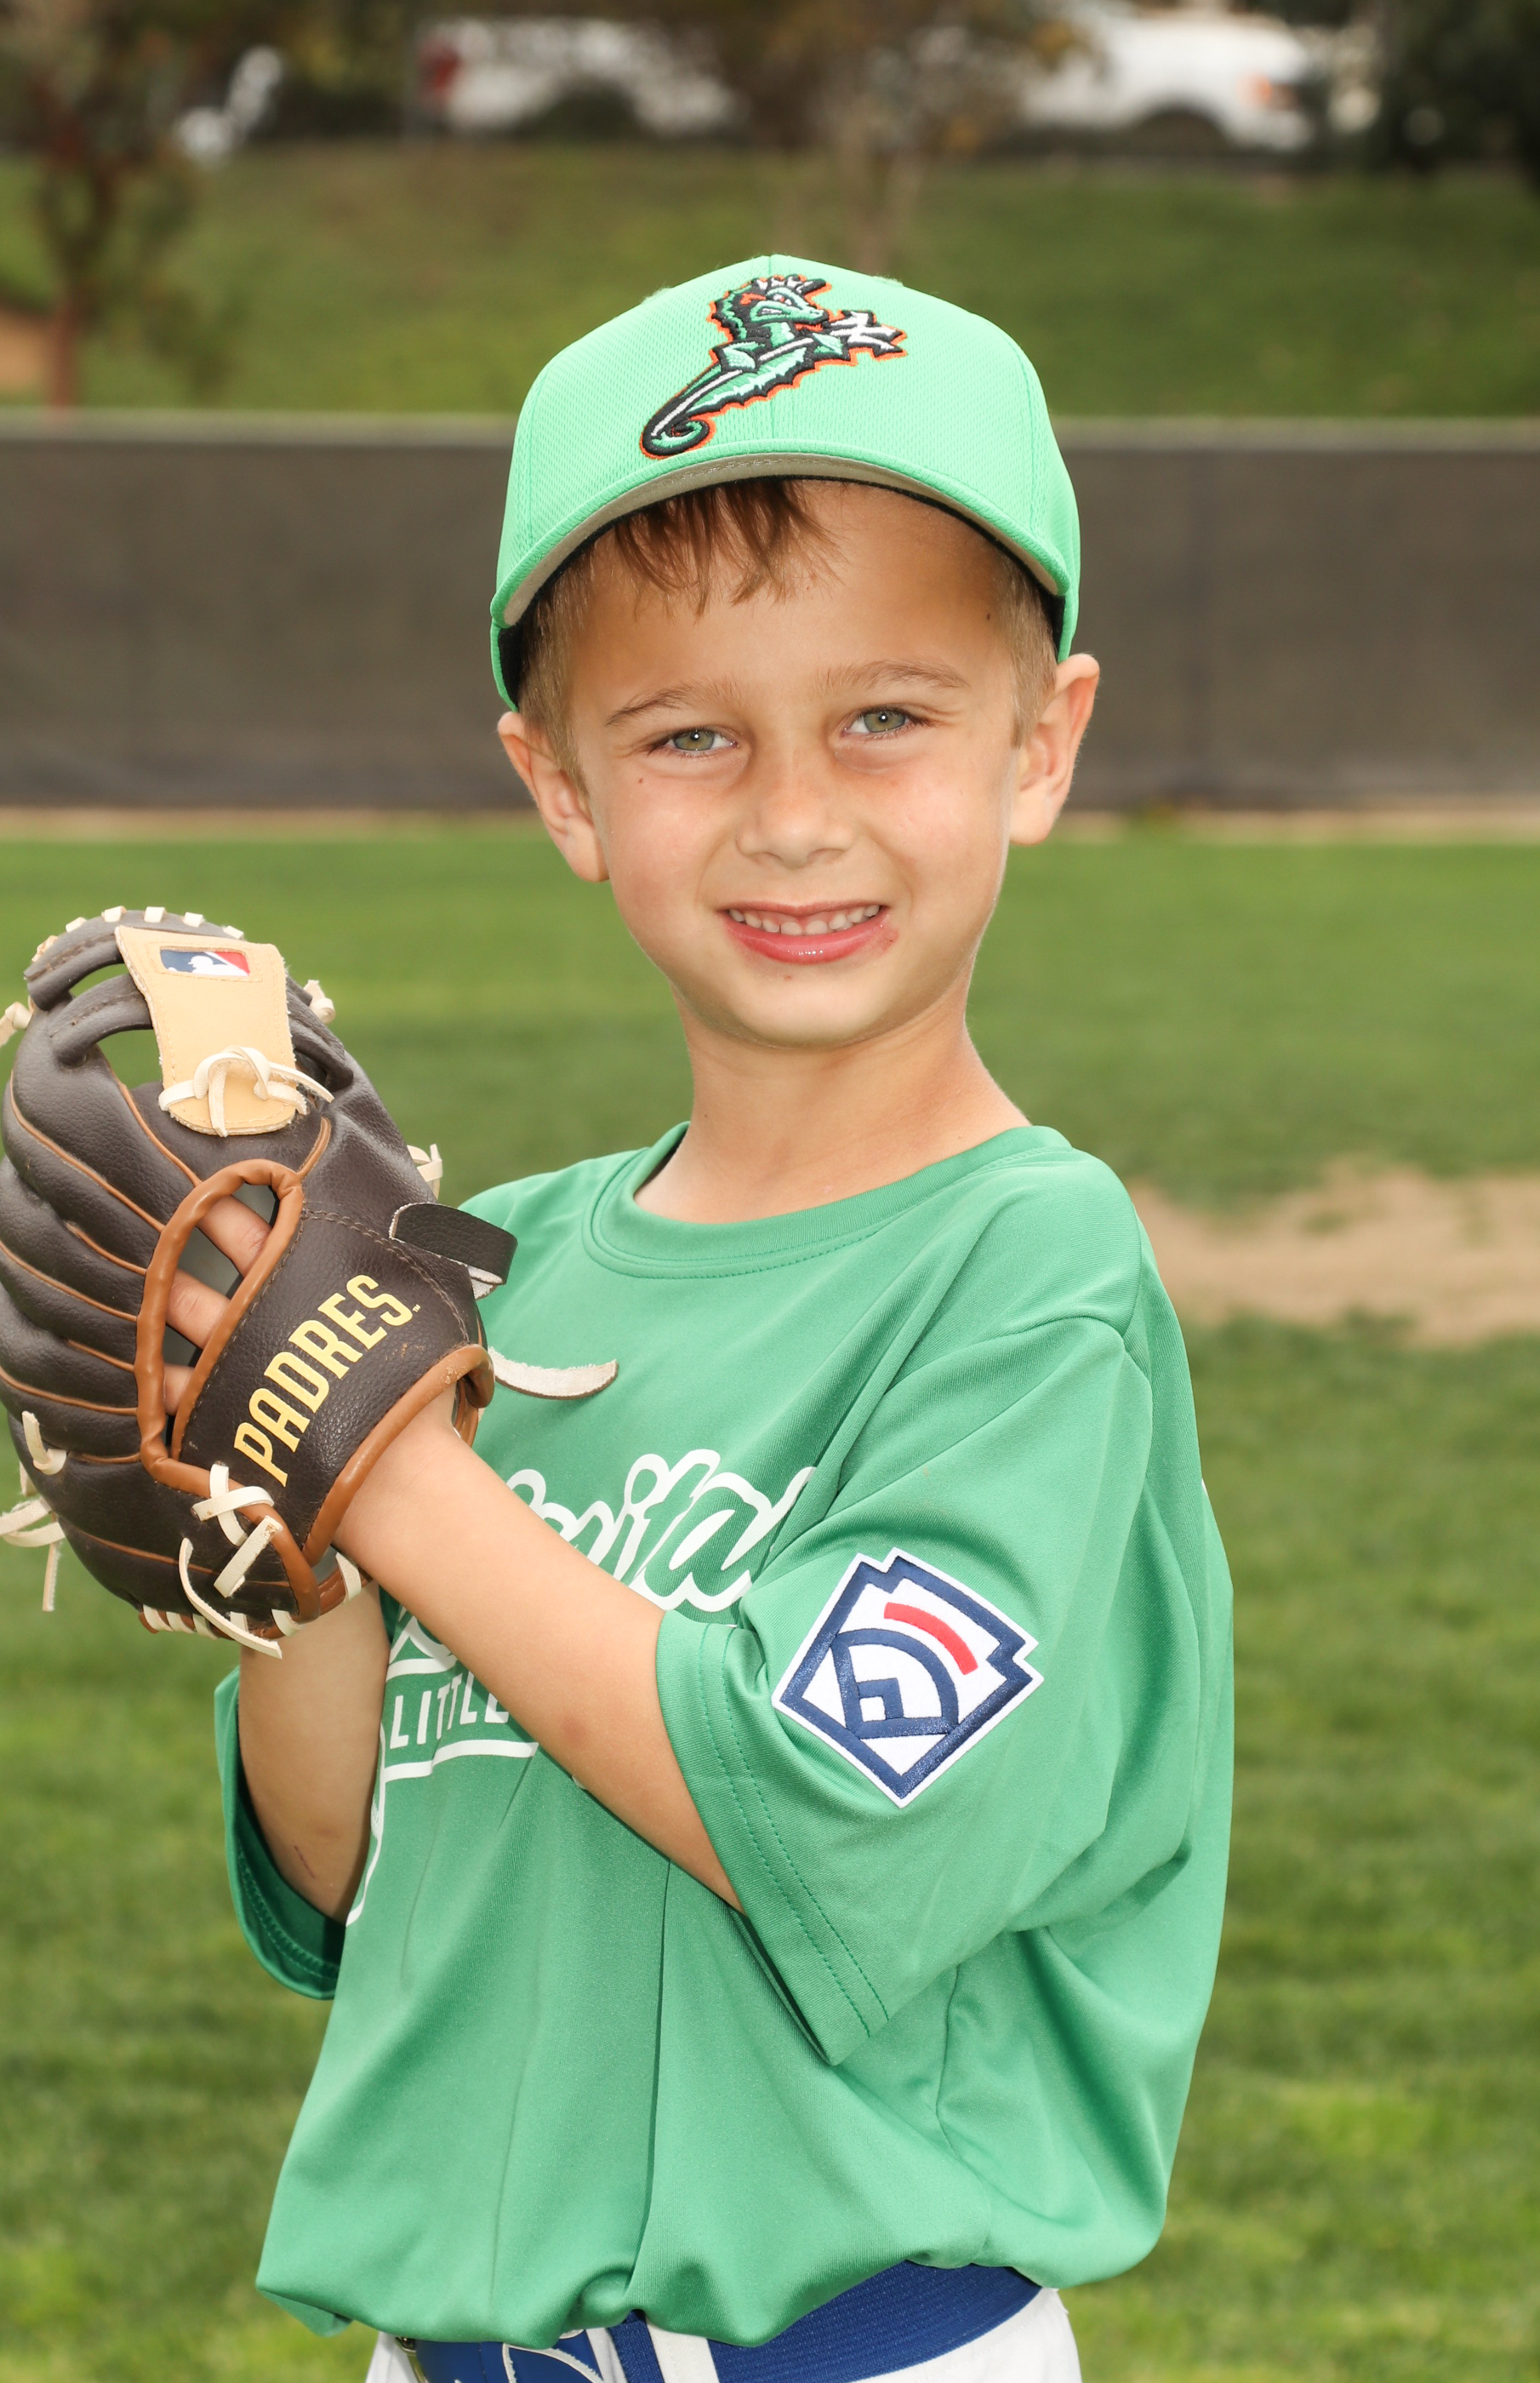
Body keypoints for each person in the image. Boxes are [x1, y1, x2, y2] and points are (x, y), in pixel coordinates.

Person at [173, 258, 1234, 2383]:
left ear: (1040, 744)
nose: (792, 811)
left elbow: (816, 1799)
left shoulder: (1028, 1272)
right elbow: (345, 1859)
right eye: (686, 734)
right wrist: (274, 1496)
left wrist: (383, 1457)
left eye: (885, 713)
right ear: (561, 785)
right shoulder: (494, 1267)